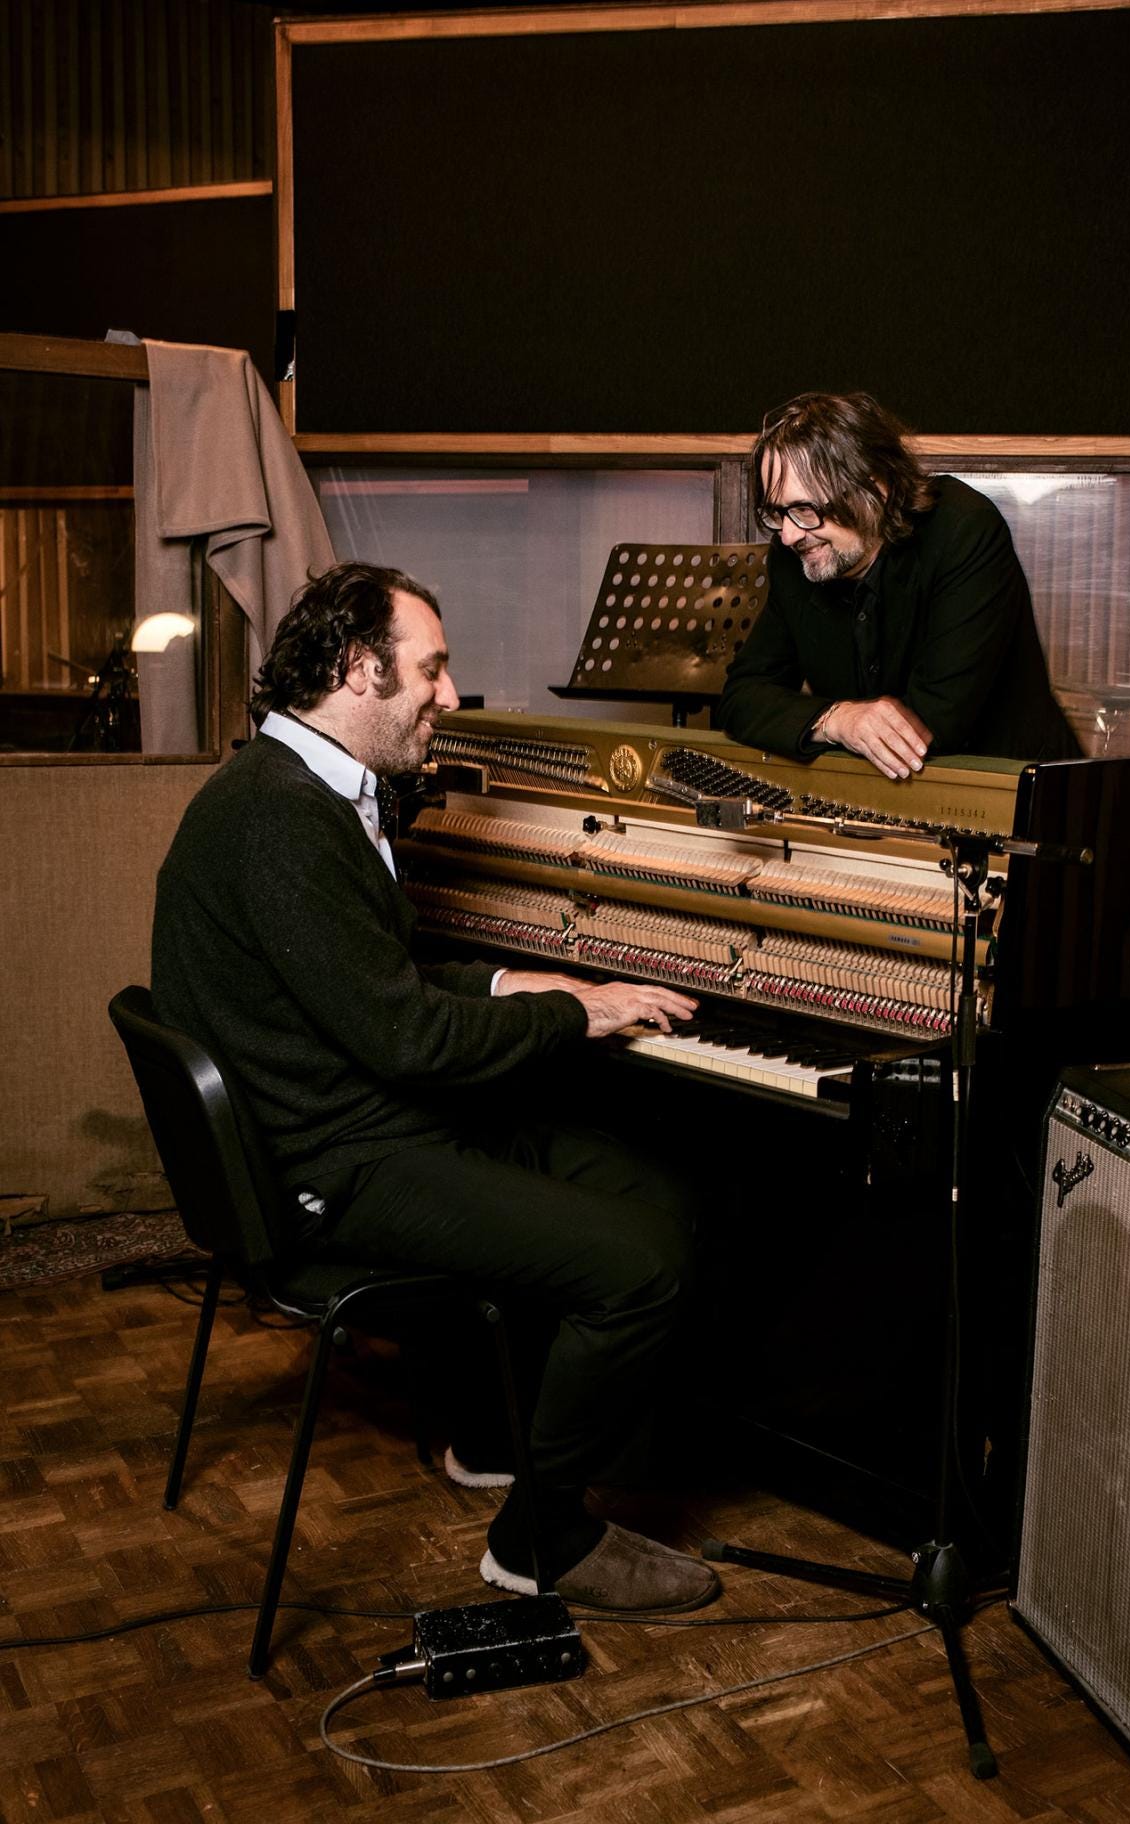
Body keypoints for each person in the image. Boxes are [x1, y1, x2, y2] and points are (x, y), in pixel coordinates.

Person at [151, 561, 720, 1613]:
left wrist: (514, 977)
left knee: (656, 1192)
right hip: (332, 1168)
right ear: (360, 670)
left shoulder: (293, 791)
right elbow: (405, 1037)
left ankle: (500, 1434)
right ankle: (539, 1539)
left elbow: (365, 982)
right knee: (637, 1265)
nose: (449, 698)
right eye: (433, 669)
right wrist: (572, 1013)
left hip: (357, 1124)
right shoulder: (279, 820)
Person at [714, 391, 1079, 780]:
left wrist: (848, 722)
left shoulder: (963, 530)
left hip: (1022, 794)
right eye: (777, 513)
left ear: (874, 489)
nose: (788, 535)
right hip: (883, 800)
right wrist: (837, 719)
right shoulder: (792, 557)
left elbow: (933, 724)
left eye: (805, 510)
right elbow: (742, 696)